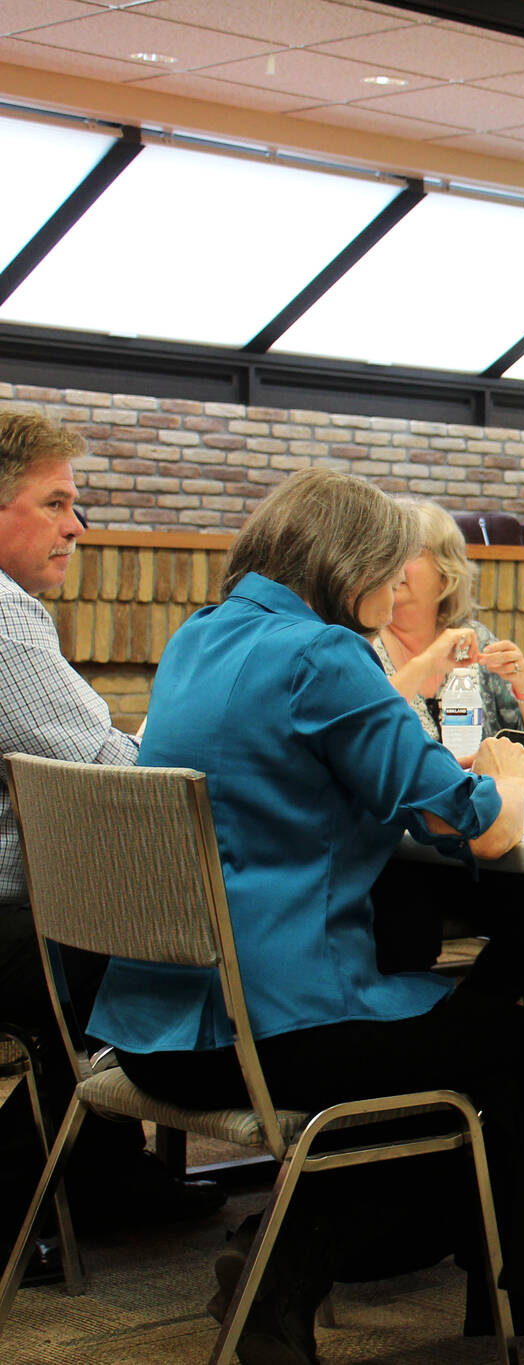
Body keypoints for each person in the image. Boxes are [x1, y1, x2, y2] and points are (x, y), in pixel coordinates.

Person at [90, 467, 524, 1365]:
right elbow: (472, 823)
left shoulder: (201, 635)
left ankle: (285, 1257)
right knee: (516, 1055)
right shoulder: (321, 655)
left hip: (154, 1023)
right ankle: (309, 1278)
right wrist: (507, 775)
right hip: (262, 1026)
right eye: (391, 574)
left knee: (459, 1033)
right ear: (348, 566)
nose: (396, 595)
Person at [0, 410, 223, 1283]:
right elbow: (109, 769)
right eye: (56, 502)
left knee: (101, 939)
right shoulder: (7, 617)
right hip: (7, 921)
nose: (75, 527)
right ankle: (46, 1187)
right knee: (157, 949)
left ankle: (106, 1175)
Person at [369, 498, 524, 998]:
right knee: (403, 920)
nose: (395, 567)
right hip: (399, 850)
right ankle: (439, 1040)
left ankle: (469, 1022)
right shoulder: (361, 642)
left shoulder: (473, 640)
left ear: (446, 572)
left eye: (408, 553)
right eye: (386, 553)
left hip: (475, 838)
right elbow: (374, 729)